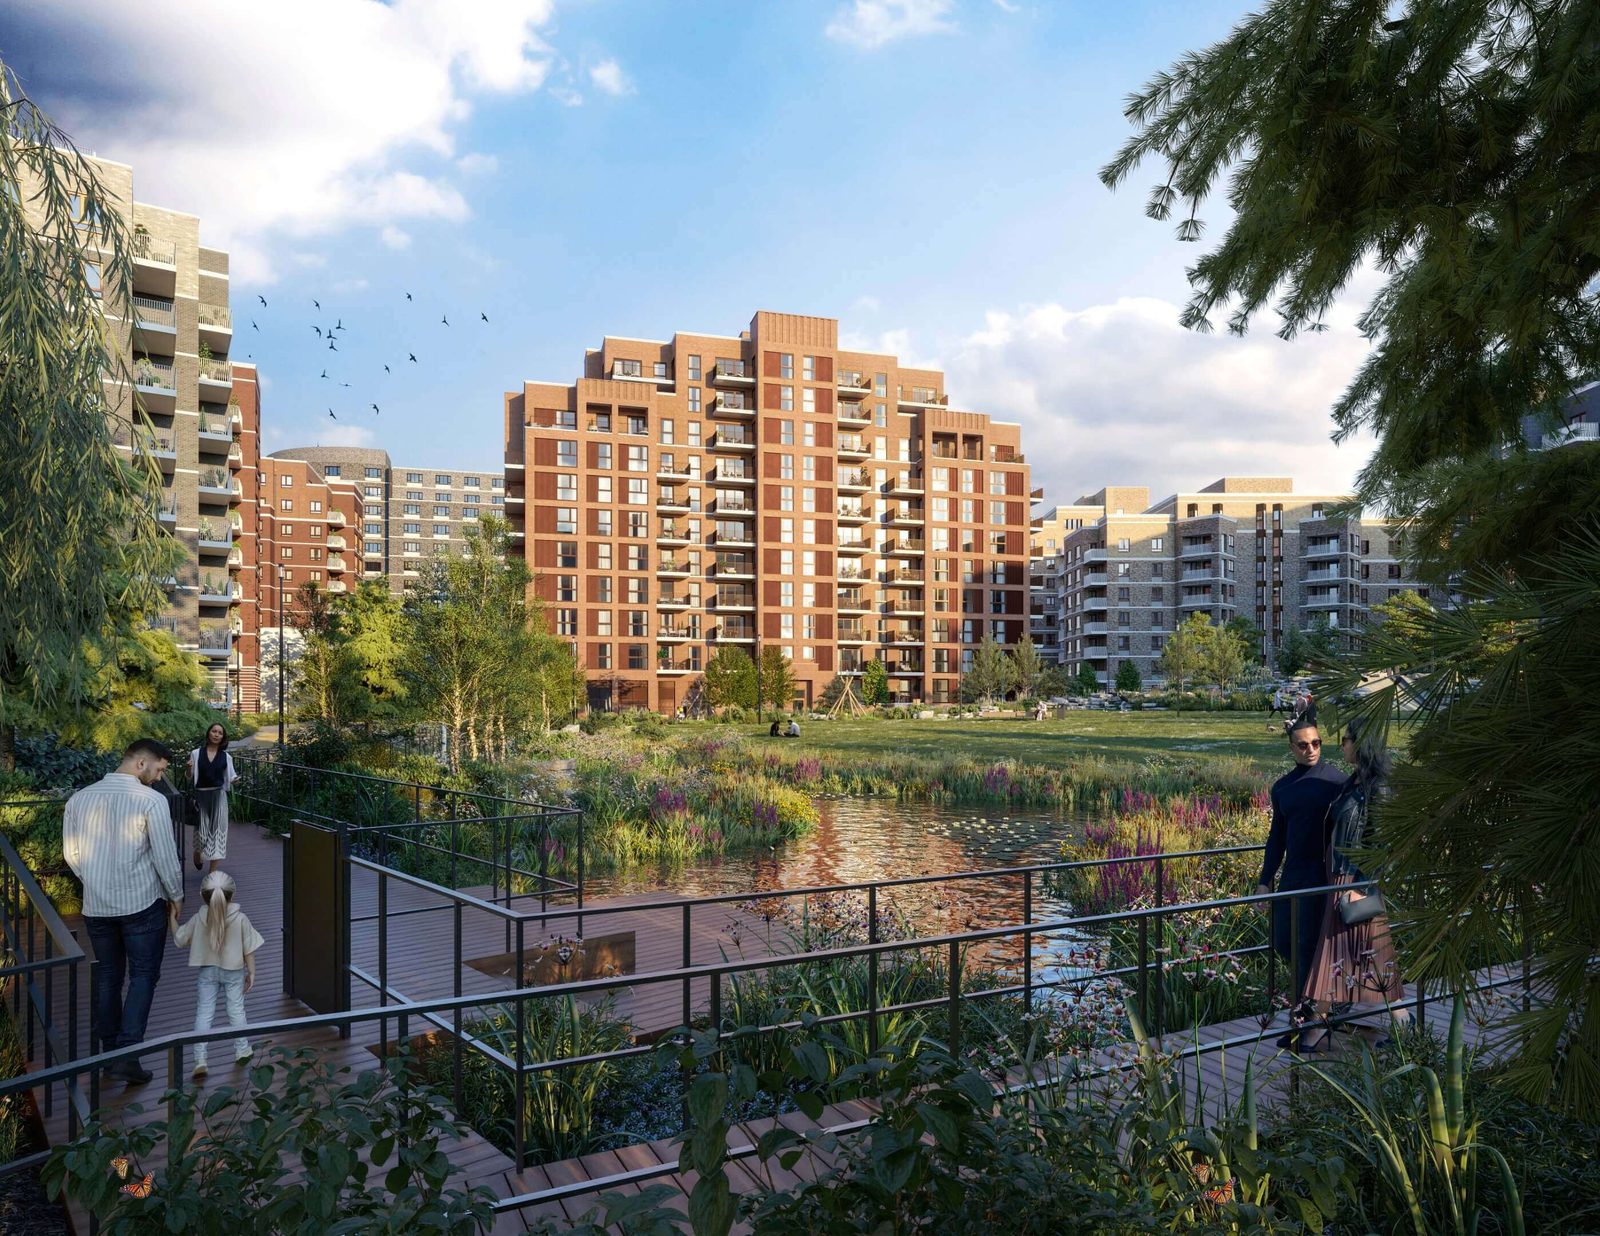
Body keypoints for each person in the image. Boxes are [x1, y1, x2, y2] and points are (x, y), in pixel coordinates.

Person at [63, 738, 184, 1083]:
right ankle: (128, 1054)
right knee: (143, 975)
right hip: (141, 904)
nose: (160, 778)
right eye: (159, 769)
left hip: (96, 906)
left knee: (108, 977)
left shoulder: (79, 799)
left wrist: (98, 881)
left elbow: (72, 855)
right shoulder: (151, 801)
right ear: (141, 763)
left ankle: (109, 1053)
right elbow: (164, 855)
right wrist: (176, 895)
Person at [1300, 721, 1405, 1049]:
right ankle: (1404, 1021)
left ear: (1360, 744)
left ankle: (1317, 1027)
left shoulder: (1379, 788)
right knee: (1371, 955)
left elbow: (1385, 843)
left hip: (1355, 883)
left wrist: (1363, 885)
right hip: (1340, 879)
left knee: (1334, 953)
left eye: (1344, 739)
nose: (1340, 745)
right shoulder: (1352, 782)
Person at [1255, 711, 1346, 1052]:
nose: (1311, 749)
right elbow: (1276, 837)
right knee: (1283, 942)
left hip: (1323, 878)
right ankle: (1320, 1012)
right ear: (1292, 748)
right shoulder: (1283, 787)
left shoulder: (1336, 783)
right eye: (1303, 745)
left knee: (1308, 947)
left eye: (1317, 743)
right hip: (1293, 876)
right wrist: (1265, 881)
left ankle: (1307, 1024)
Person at [171, 870, 263, 1078]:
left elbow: (179, 939)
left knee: (204, 1013)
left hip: (207, 972)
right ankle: (241, 1049)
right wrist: (252, 973)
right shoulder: (240, 919)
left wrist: (172, 917)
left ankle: (200, 1058)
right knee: (236, 1011)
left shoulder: (198, 918)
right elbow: (249, 949)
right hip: (234, 972)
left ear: (202, 896)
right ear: (233, 894)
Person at [187, 722, 237, 873]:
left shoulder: (226, 757)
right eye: (214, 731)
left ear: (223, 737)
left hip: (219, 796)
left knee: (218, 832)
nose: (216, 734)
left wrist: (236, 780)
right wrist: (188, 768)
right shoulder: (196, 753)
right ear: (208, 734)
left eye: (220, 733)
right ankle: (197, 853)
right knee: (202, 834)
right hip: (201, 796)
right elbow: (189, 778)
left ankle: (212, 872)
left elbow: (231, 776)